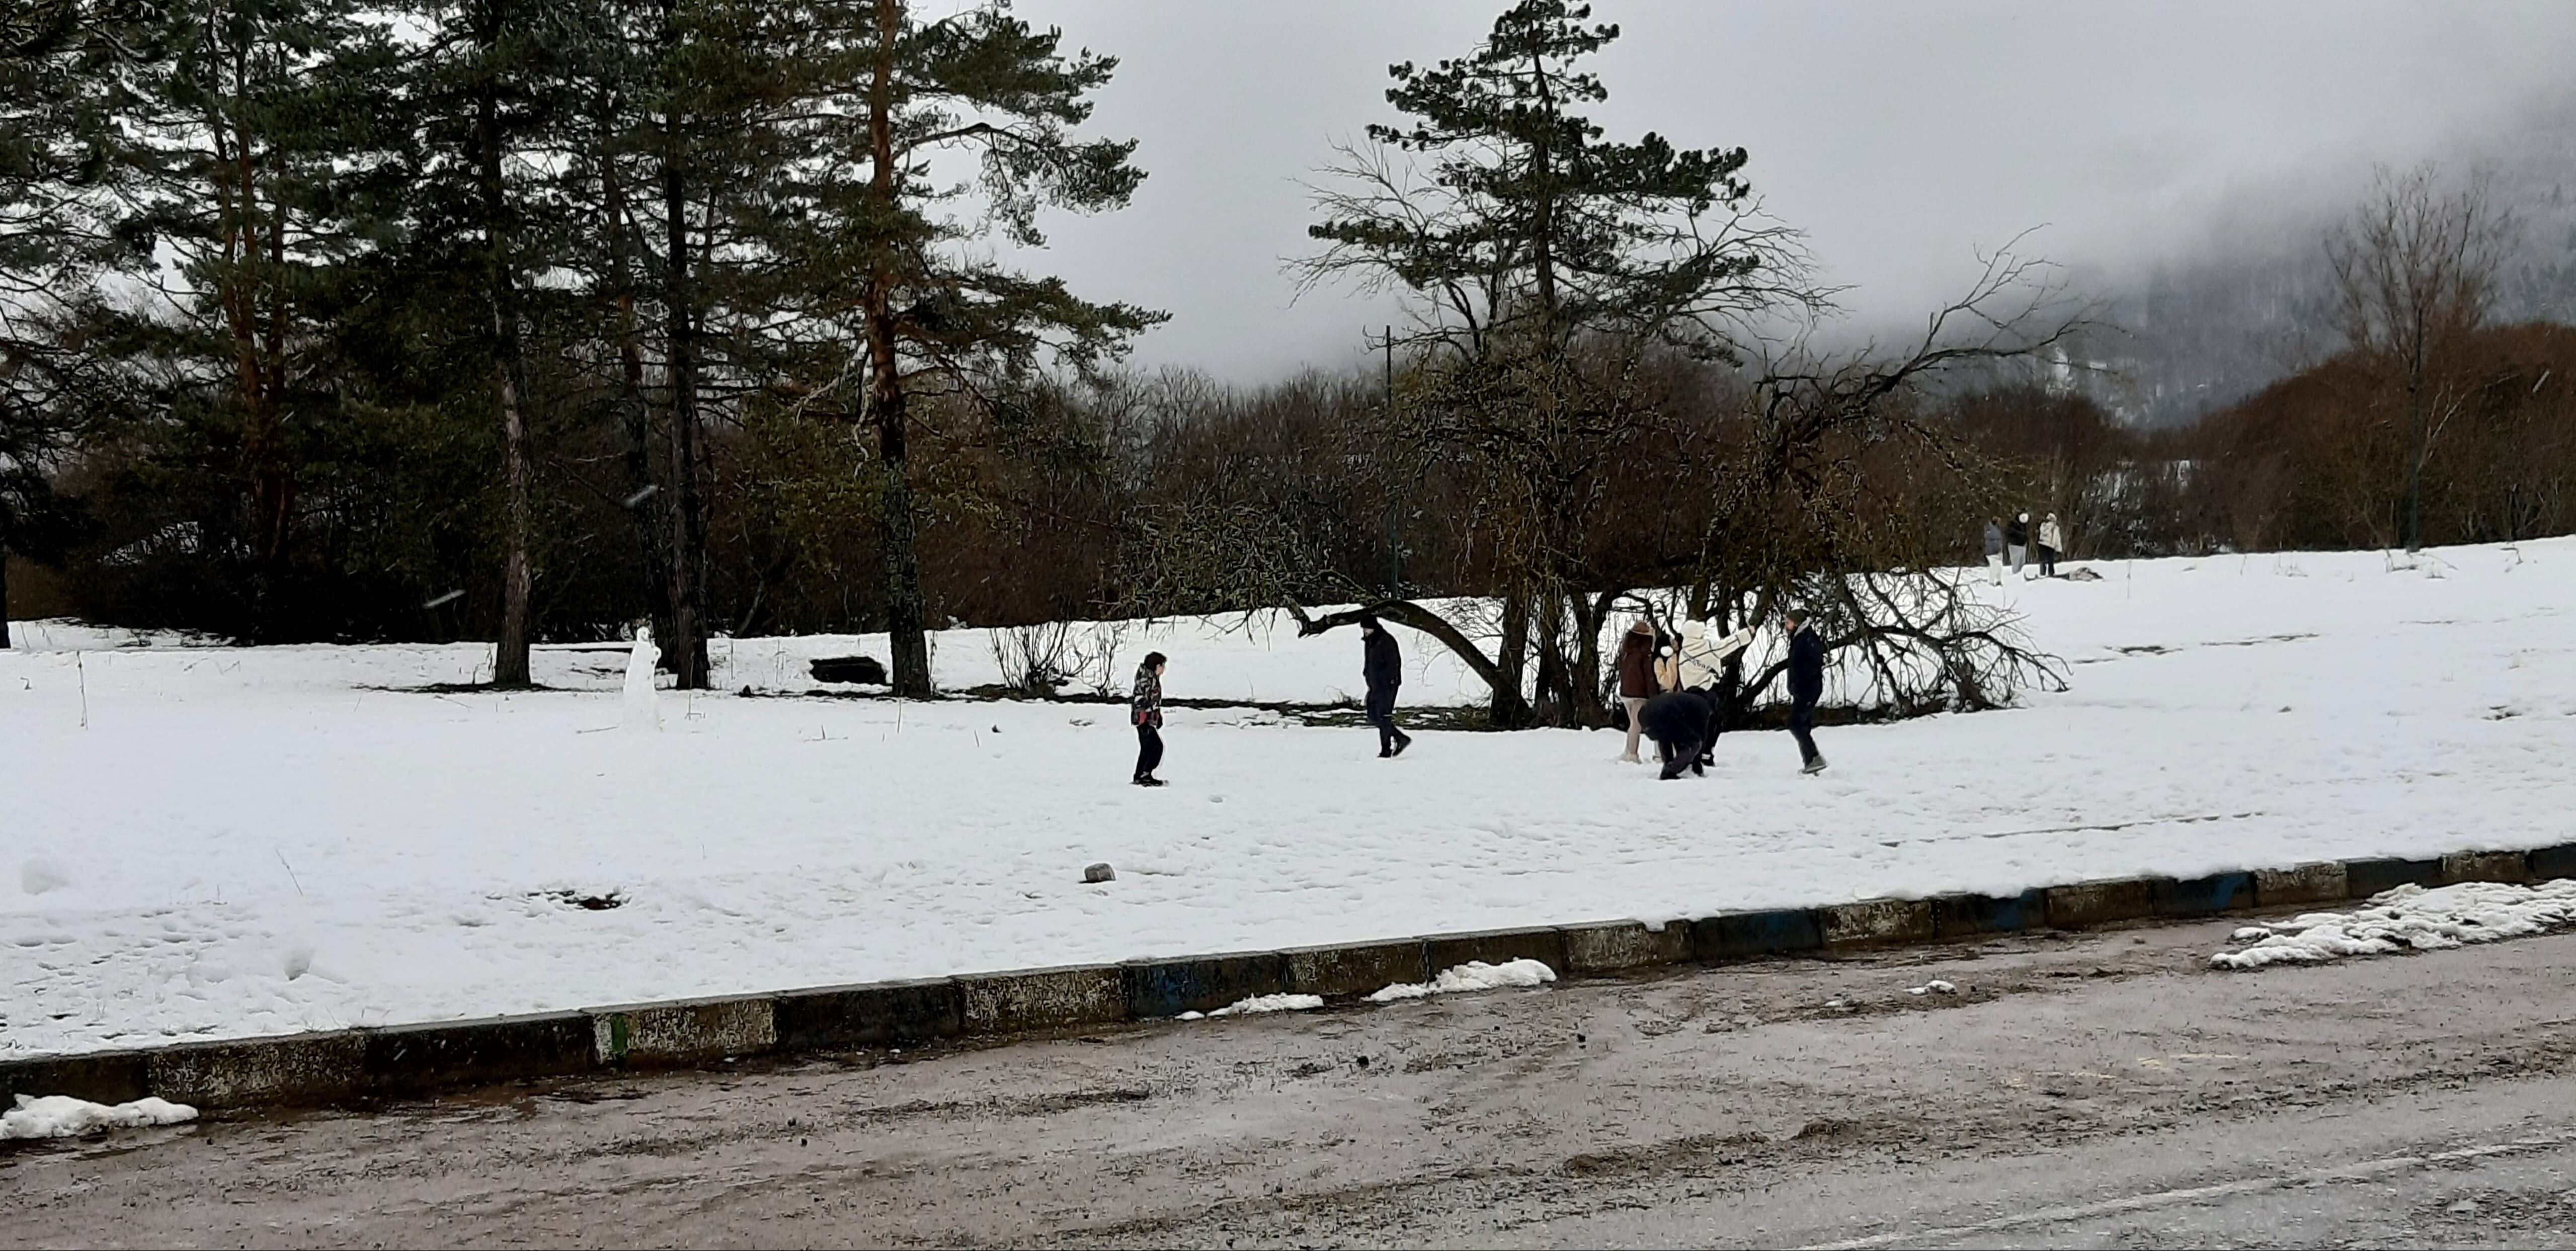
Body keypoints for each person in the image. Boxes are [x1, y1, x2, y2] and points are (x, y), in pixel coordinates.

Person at [1358, 616, 1411, 758]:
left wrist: (1389, 680)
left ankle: (1386, 750)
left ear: (1374, 628)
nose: (1365, 631)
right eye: (1364, 629)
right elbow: (1369, 662)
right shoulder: (1369, 641)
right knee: (1372, 715)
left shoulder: (1386, 641)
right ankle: (1400, 738)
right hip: (1375, 685)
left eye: (1367, 629)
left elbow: (1394, 663)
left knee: (1383, 717)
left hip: (1387, 685)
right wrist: (1367, 674)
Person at [1638, 687, 1718, 780]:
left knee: (1666, 736)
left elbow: (1679, 734)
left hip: (1644, 714)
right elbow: (1700, 737)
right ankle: (1670, 770)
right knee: (1695, 743)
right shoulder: (1703, 706)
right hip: (1664, 714)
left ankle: (1669, 764)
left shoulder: (1686, 700)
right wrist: (1697, 766)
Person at [1783, 608, 1827, 775]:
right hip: (1803, 689)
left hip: (1809, 688)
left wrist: (1799, 684)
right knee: (1802, 724)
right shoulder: (1800, 638)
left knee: (1795, 723)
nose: (1786, 626)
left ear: (1797, 623)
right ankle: (1811, 762)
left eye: (1788, 623)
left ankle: (1814, 758)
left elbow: (1812, 665)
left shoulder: (1807, 640)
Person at [1614, 618, 1658, 763]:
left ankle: (1628, 751)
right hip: (1640, 693)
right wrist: (1654, 695)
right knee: (1636, 725)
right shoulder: (1645, 653)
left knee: (1633, 724)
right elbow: (1648, 676)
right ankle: (1633, 754)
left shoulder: (1626, 651)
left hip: (1626, 692)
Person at [1130, 651, 1167, 787]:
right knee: (1156, 747)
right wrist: (1144, 717)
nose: (1164, 670)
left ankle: (1140, 775)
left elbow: (1153, 700)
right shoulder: (1147, 680)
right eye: (1162, 666)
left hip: (1147, 719)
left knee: (1147, 748)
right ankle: (1145, 774)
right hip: (1143, 720)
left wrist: (1157, 716)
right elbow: (1140, 700)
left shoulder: (1152, 678)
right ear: (1157, 666)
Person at [2038, 512, 2064, 578]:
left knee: (2051, 561)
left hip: (2051, 547)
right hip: (2043, 544)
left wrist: (2059, 549)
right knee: (2043, 561)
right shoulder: (2044, 526)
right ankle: (2042, 573)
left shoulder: (2056, 528)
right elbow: (2044, 532)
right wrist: (2049, 526)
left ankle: (2051, 573)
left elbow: (2057, 539)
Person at [2005, 512, 2030, 578]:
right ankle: (2015, 577)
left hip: (2022, 545)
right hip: (2015, 546)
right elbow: (2010, 534)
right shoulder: (2013, 525)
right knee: (2016, 563)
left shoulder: (2024, 525)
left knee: (2022, 563)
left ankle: (2020, 576)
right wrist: (2021, 535)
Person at [1983, 517, 2006, 586]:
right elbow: (1989, 537)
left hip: (1999, 550)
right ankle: (1991, 582)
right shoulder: (1988, 527)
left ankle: (1999, 580)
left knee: (1999, 567)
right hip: (1991, 551)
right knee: (1996, 565)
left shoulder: (1999, 528)